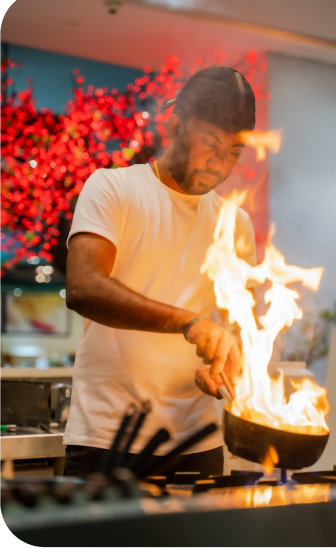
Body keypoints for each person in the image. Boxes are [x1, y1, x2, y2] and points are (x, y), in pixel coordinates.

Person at [63, 66, 257, 480]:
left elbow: (236, 331)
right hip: (107, 441)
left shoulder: (235, 223)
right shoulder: (112, 188)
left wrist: (222, 369)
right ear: (174, 125)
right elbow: (83, 287)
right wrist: (189, 323)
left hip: (198, 446)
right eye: (210, 144)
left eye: (233, 153)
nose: (219, 164)